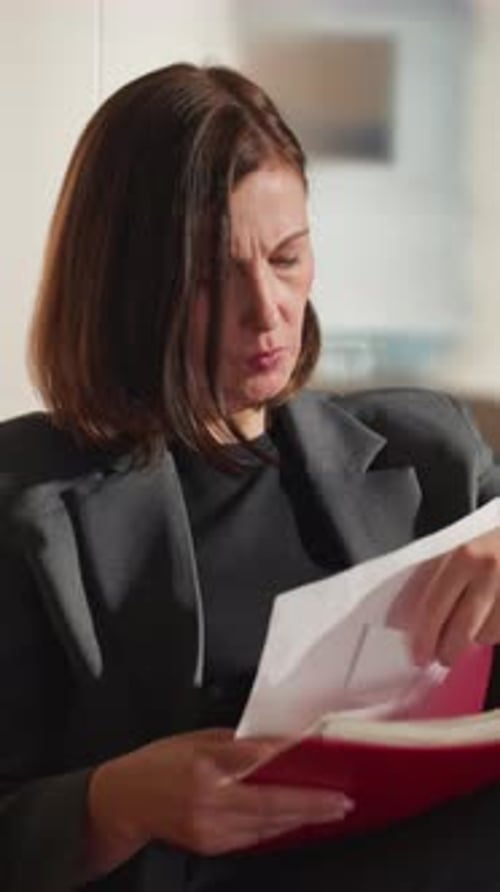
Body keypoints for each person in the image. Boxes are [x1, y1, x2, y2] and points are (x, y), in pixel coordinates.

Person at [1, 61, 500, 892]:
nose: (267, 308)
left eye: (286, 257)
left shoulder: (431, 448)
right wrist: (108, 804)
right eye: (210, 277)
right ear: (126, 286)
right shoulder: (27, 505)